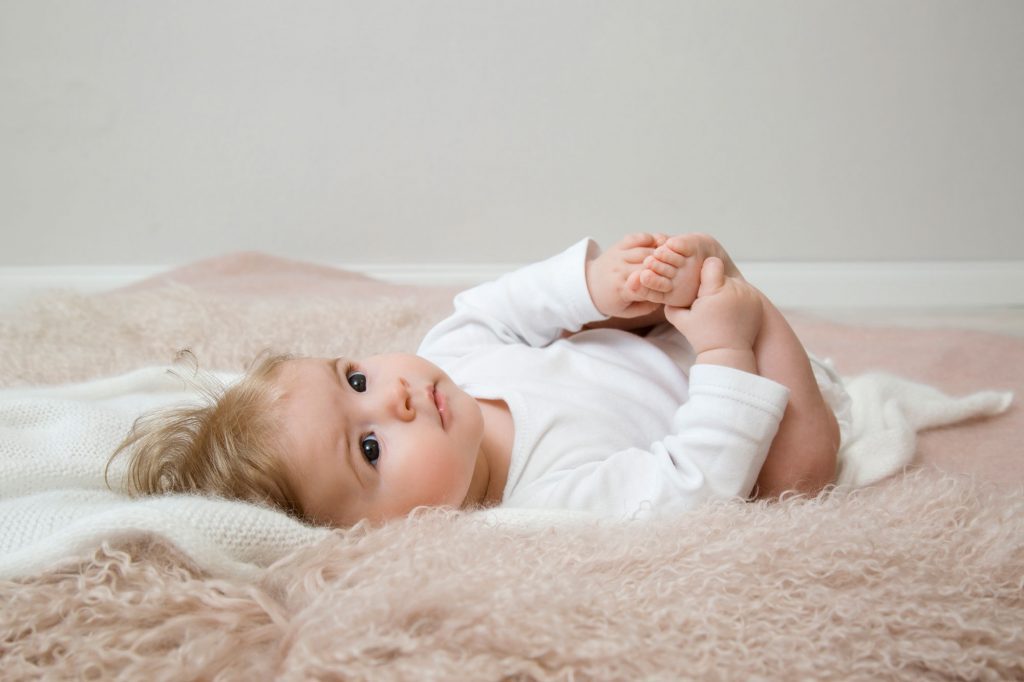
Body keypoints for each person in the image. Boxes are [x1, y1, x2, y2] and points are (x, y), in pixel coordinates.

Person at [109, 233, 849, 527]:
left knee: (605, 313)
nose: (394, 398)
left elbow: (502, 306)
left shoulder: (452, 355)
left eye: (355, 379)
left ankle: (700, 297)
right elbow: (692, 484)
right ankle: (745, 316)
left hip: (659, 346)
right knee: (794, 479)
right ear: (389, 537)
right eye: (369, 449)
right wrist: (724, 350)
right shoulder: (543, 504)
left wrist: (599, 286)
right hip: (743, 407)